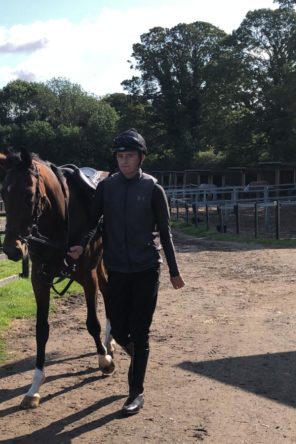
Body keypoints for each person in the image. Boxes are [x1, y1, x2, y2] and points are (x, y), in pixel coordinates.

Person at [67, 128, 186, 416]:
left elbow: (166, 232)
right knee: (119, 330)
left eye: (129, 156)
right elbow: (94, 221)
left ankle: (136, 392)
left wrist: (173, 270)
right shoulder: (107, 188)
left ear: (141, 157)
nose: (124, 161)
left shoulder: (153, 189)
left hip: (146, 269)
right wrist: (81, 245)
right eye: (120, 156)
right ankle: (138, 356)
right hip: (117, 269)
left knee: (140, 332)